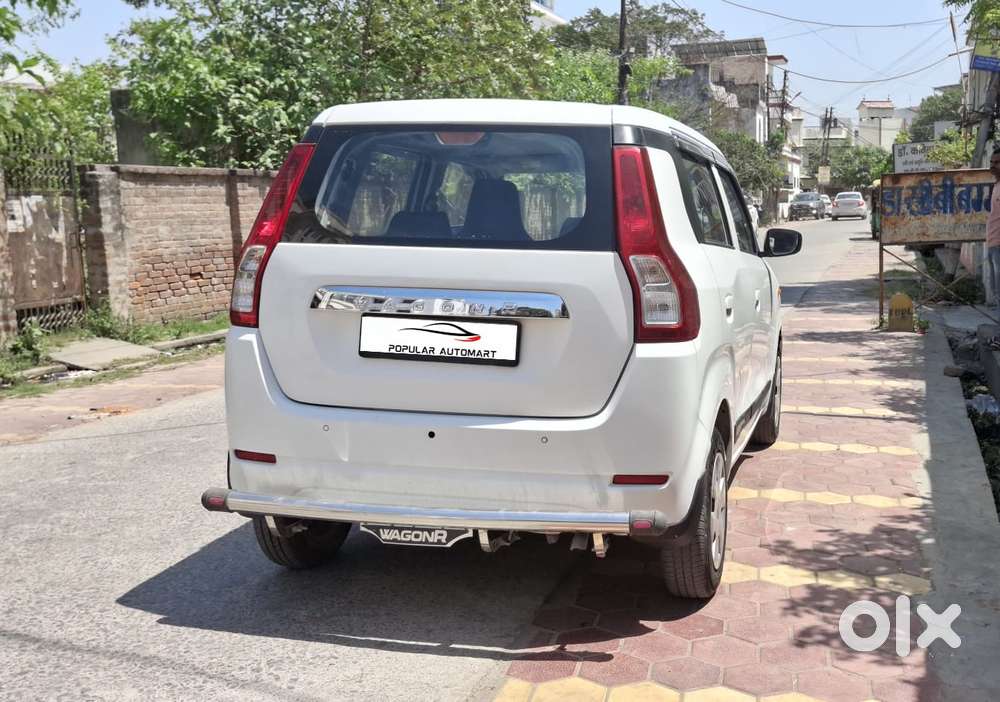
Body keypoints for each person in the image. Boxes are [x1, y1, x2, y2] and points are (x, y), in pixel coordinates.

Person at [989, 149, 1000, 307]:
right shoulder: (997, 185)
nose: (993, 165)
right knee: (997, 292)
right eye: (991, 162)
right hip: (992, 243)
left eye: (997, 162)